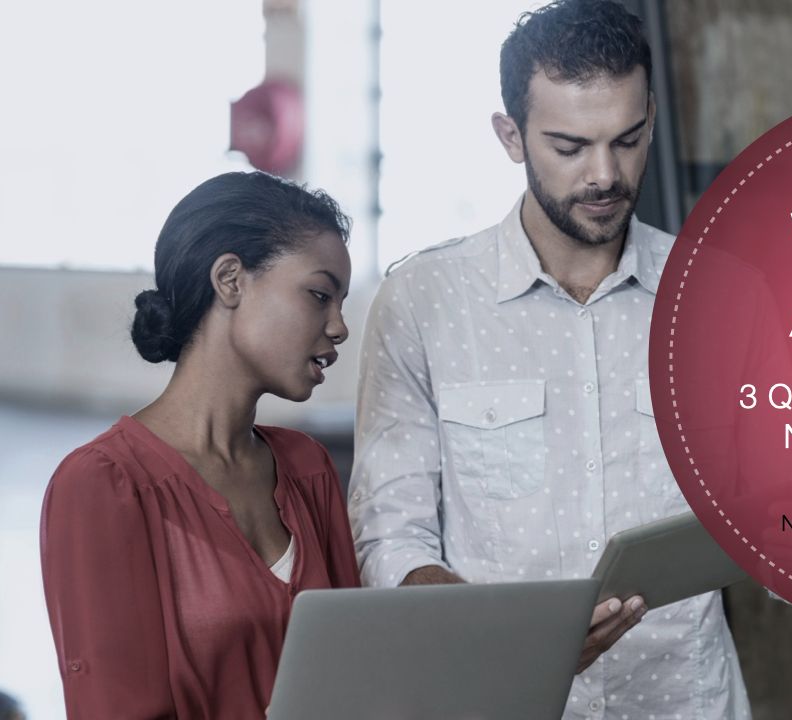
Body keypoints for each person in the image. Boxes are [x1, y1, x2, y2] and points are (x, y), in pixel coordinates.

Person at [348, 1, 750, 717]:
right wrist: (513, 636)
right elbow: (391, 534)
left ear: (652, 118)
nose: (605, 175)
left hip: (682, 699)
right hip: (500, 699)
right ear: (511, 136)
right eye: (570, 147)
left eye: (627, 140)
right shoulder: (424, 301)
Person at [41, 171, 362, 719]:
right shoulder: (104, 484)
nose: (339, 327)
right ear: (230, 279)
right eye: (319, 295)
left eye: (341, 303)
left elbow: (358, 673)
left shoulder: (308, 467)